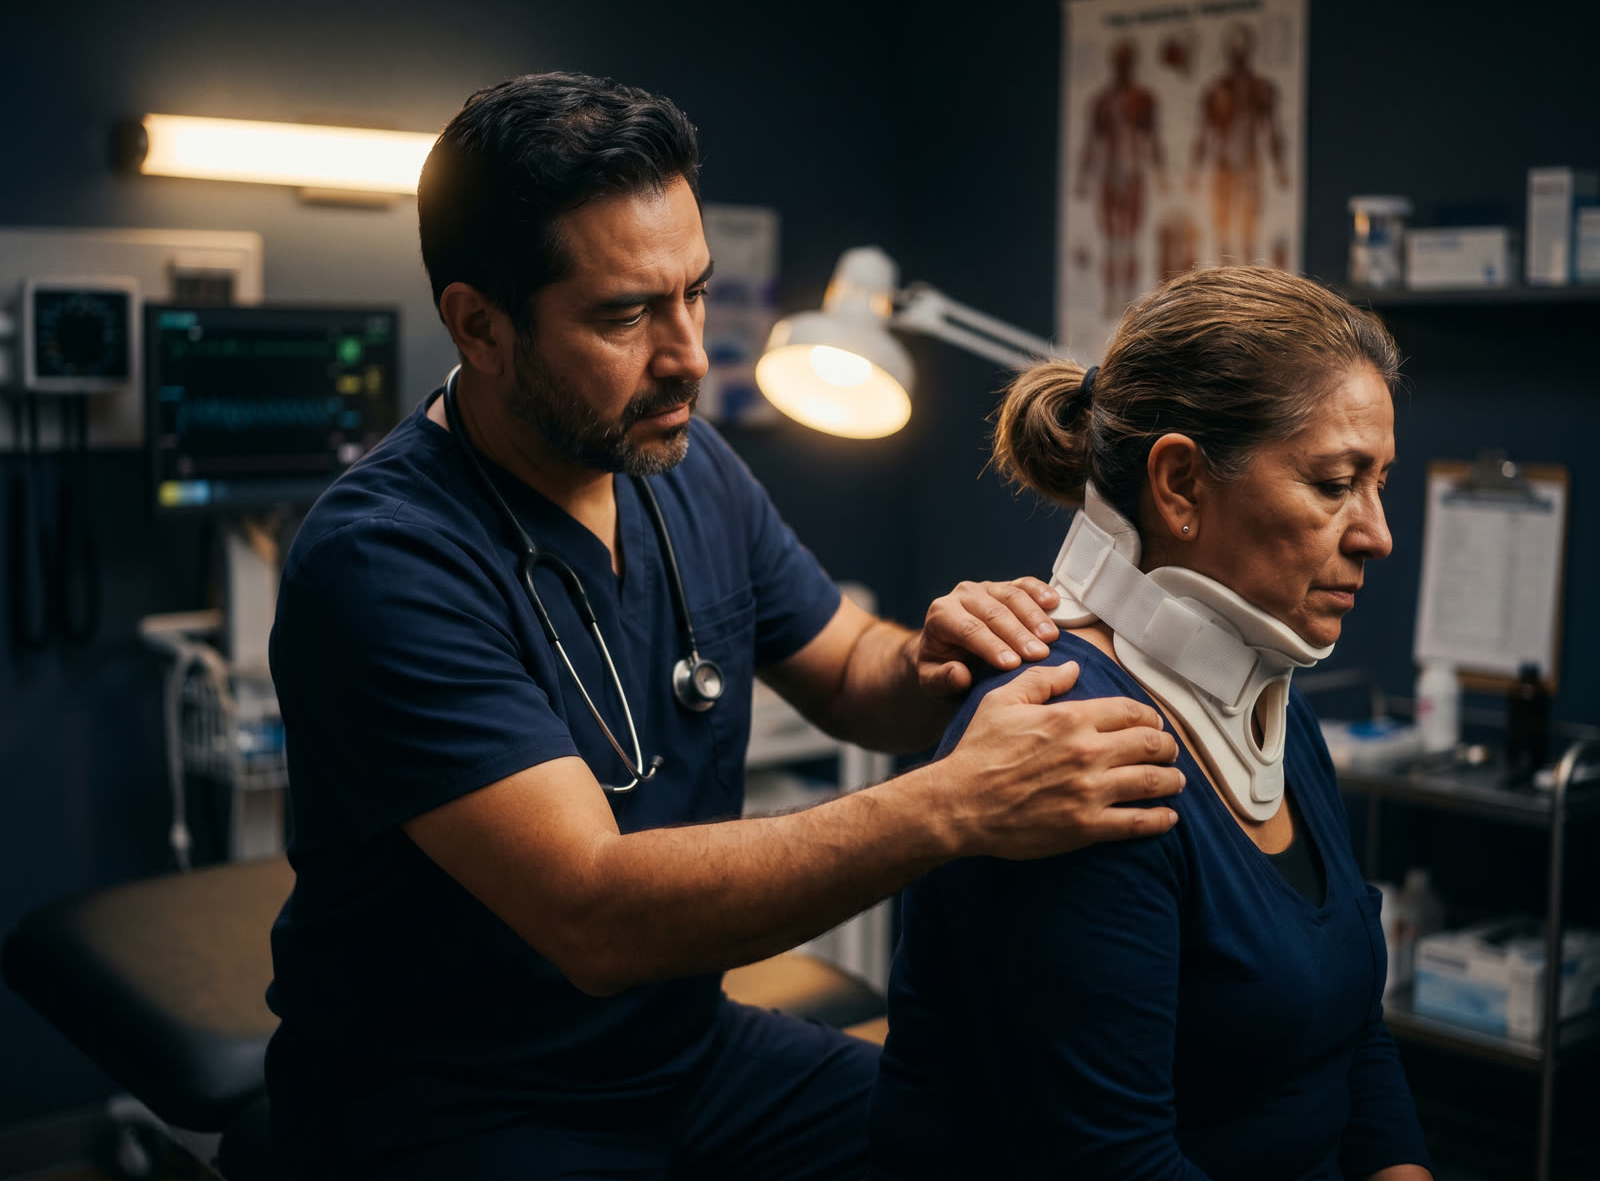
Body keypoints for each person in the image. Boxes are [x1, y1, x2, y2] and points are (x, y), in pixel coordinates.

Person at [264, 71, 1185, 1179]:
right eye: (624, 315)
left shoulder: (682, 464)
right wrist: (955, 804)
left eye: (693, 293)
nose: (690, 354)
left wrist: (935, 658)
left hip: (683, 1058)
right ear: (480, 325)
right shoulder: (385, 557)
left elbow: (846, 669)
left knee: (987, 1151)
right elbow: (593, 915)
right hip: (457, 1104)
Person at [869, 264, 1435, 1181]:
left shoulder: (1275, 715)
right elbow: (1112, 1161)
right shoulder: (1065, 746)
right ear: (1179, 486)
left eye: (1379, 483)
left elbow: (1353, 1035)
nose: (1377, 533)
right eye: (1335, 483)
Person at [1075, 38, 1167, 318]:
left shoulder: (1144, 98)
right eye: (1120, 61)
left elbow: (1153, 138)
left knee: (1130, 241)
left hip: (1134, 174)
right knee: (1110, 242)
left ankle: (1129, 301)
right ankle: (1110, 298)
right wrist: (1084, 177)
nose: (1123, 66)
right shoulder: (1102, 101)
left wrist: (1162, 174)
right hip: (1109, 174)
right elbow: (1091, 141)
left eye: (1128, 61)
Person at [1188, 22, 1290, 265]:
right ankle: (1223, 279)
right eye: (1234, 50)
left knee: (1248, 229)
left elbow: (1272, 129)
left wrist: (1279, 168)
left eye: (1241, 50)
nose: (1238, 55)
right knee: (1222, 228)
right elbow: (1204, 134)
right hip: (1224, 163)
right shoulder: (1216, 89)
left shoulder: (1260, 88)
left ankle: (1246, 279)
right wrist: (1194, 172)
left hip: (1249, 161)